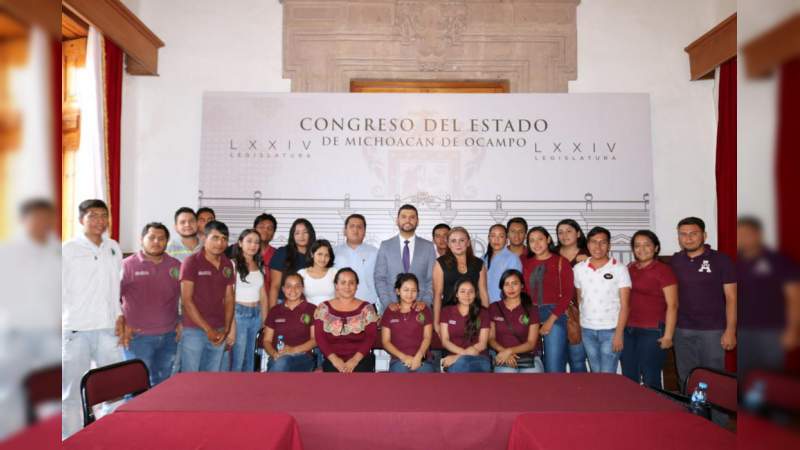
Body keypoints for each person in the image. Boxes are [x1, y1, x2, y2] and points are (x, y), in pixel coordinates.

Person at [62, 199, 124, 438]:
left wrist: (119, 316)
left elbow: (114, 289)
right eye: (93, 215)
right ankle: (72, 437)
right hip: (76, 329)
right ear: (81, 220)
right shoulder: (68, 249)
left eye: (103, 215)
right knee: (73, 390)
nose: (99, 220)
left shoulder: (113, 247)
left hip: (108, 328)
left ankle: (111, 435)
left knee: (114, 386)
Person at [0, 199, 60, 438]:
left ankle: (49, 437)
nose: (43, 223)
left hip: (50, 333)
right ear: (23, 220)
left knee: (52, 390)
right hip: (16, 332)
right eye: (37, 218)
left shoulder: (56, 252)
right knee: (11, 392)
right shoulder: (7, 252)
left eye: (47, 218)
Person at [670, 217, 736, 388]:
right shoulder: (675, 261)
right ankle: (692, 415)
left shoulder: (722, 260)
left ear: (704, 235)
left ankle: (716, 416)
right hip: (682, 329)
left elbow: (732, 298)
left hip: (713, 331)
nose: (688, 238)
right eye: (683, 234)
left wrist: (730, 330)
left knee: (714, 380)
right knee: (686, 378)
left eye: (693, 233)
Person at [737, 216, 800, 377]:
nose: (743, 238)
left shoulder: (779, 261)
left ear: (758, 234)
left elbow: (794, 298)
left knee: (771, 377)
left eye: (747, 234)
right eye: (740, 234)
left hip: (771, 331)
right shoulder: (734, 262)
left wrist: (793, 330)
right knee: (744, 376)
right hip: (742, 330)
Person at [120, 223, 182, 386]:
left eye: (161, 238)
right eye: (152, 237)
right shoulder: (127, 265)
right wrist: (123, 324)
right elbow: (113, 298)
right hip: (137, 338)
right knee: (135, 387)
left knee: (162, 386)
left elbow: (185, 298)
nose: (157, 241)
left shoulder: (175, 265)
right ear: (141, 240)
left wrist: (181, 322)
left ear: (167, 241)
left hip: (169, 337)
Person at [621, 230, 678, 388]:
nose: (642, 249)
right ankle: (633, 412)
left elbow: (673, 305)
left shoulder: (663, 270)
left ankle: (656, 412)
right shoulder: (630, 268)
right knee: (629, 376)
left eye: (647, 244)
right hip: (629, 330)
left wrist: (668, 336)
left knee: (650, 377)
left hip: (652, 331)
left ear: (656, 247)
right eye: (637, 245)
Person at [179, 221, 235, 372]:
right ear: (204, 238)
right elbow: (186, 300)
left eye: (224, 238)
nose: (220, 243)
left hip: (219, 329)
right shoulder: (191, 262)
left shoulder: (227, 264)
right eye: (215, 238)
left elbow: (229, 298)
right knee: (190, 378)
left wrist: (227, 328)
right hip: (194, 330)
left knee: (211, 378)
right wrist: (208, 329)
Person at [573, 226, 631, 373]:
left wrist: (619, 334)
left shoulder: (619, 269)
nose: (598, 246)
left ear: (609, 245)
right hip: (587, 329)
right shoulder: (579, 269)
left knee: (607, 374)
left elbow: (625, 305)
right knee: (595, 372)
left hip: (611, 330)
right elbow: (580, 300)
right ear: (587, 244)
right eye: (593, 242)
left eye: (602, 242)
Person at [520, 226, 574, 373]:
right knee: (533, 362)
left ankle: (557, 394)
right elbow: (522, 291)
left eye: (540, 239)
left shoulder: (561, 262)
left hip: (554, 313)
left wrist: (551, 321)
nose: (536, 244)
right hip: (531, 313)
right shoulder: (525, 263)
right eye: (532, 241)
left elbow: (568, 294)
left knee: (554, 364)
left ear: (548, 239)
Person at [314, 268, 379, 372]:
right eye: (343, 282)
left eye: (351, 283)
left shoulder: (367, 308)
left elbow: (370, 337)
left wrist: (354, 361)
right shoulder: (323, 308)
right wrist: (335, 361)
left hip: (361, 360)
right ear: (336, 285)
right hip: (332, 360)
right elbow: (320, 338)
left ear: (357, 286)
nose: (347, 286)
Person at [375, 204, 436, 313]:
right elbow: (380, 278)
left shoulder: (428, 247)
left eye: (412, 217)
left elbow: (432, 279)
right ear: (397, 221)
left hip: (420, 308)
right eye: (403, 217)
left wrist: (425, 302)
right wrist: (388, 303)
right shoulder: (385, 246)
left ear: (417, 221)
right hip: (392, 308)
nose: (408, 220)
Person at [433, 226, 489, 334]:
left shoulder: (479, 264)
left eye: (461, 240)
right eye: (453, 241)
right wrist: (436, 322)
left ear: (468, 243)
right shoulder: (440, 263)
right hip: (449, 317)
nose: (457, 244)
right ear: (448, 244)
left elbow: (483, 293)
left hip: (474, 316)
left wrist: (487, 320)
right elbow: (437, 295)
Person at [227, 229, 267, 372]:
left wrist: (265, 319)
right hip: (239, 314)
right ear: (240, 243)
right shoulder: (232, 264)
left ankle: (247, 391)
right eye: (249, 241)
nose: (253, 245)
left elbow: (263, 296)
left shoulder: (260, 265)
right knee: (238, 359)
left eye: (256, 242)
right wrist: (231, 326)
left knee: (251, 359)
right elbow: (228, 296)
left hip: (256, 315)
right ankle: (232, 392)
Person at [489, 270, 542, 373]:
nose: (511, 288)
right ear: (502, 287)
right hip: (502, 356)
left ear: (522, 285)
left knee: (533, 376)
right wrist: (503, 352)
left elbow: (531, 343)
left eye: (515, 283)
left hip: (529, 357)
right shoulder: (494, 307)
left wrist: (509, 351)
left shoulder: (531, 309)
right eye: (507, 284)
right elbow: (491, 338)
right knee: (507, 374)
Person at [555, 219, 589, 373]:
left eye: (569, 231)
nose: (564, 235)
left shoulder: (588, 255)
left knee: (577, 359)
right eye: (560, 232)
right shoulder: (552, 254)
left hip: (579, 313)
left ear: (578, 233)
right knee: (557, 359)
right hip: (554, 312)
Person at [380, 274, 434, 373]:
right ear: (398, 291)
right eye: (406, 290)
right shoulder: (390, 311)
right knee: (401, 373)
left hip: (422, 359)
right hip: (398, 360)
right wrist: (404, 357)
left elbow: (427, 337)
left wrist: (418, 356)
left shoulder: (423, 309)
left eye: (413, 290)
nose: (410, 294)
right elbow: (386, 342)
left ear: (418, 292)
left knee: (425, 373)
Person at [264, 273, 317, 372]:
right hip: (277, 356)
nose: (293, 290)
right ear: (283, 289)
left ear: (302, 289)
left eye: (297, 286)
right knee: (281, 362)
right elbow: (266, 340)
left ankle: (268, 386)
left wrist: (293, 350)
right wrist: (274, 354)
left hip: (303, 357)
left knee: (282, 363)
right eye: (289, 286)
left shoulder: (312, 309)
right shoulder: (275, 311)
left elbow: (315, 340)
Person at [439, 277, 491, 373]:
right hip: (453, 358)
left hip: (479, 357)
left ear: (475, 294)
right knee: (462, 363)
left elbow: (482, 344)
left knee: (463, 363)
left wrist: (458, 357)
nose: (467, 295)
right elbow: (445, 341)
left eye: (471, 292)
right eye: (462, 291)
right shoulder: (446, 311)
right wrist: (463, 354)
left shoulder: (483, 313)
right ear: (456, 294)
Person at [269, 218, 316, 308]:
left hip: (308, 305)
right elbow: (275, 286)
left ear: (311, 234)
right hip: (283, 303)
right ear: (292, 236)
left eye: (305, 232)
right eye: (297, 233)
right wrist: (272, 312)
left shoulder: (317, 256)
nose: (301, 236)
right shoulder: (282, 252)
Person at [334, 214, 379, 304]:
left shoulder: (375, 253)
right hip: (339, 304)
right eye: (352, 226)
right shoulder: (333, 252)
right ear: (345, 231)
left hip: (367, 304)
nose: (355, 230)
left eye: (359, 227)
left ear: (365, 232)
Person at [483, 224, 522, 303]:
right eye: (493, 236)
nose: (496, 240)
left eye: (501, 236)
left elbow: (515, 286)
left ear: (506, 240)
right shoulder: (483, 259)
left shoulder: (512, 259)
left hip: (503, 305)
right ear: (489, 238)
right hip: (484, 305)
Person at [299, 239, 336, 306]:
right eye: (320, 254)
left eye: (326, 255)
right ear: (312, 254)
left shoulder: (334, 273)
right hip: (309, 313)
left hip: (331, 314)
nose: (323, 259)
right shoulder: (302, 274)